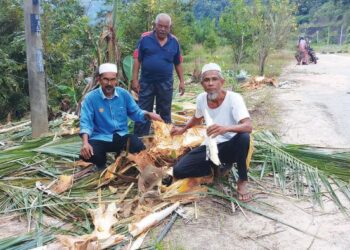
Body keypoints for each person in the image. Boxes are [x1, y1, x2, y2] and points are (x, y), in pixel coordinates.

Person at [171, 63, 253, 201]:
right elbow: (196, 118)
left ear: (222, 82)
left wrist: (225, 128)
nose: (210, 83)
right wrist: (182, 130)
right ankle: (215, 169)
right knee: (179, 171)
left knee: (244, 137)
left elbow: (248, 126)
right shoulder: (201, 99)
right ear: (202, 84)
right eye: (206, 80)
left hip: (231, 146)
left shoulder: (234, 98)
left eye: (214, 79)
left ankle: (242, 181)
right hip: (210, 146)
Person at [79, 63, 162, 169]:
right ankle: (100, 164)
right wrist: (85, 143)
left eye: (112, 79)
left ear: (116, 80)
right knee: (88, 154)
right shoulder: (91, 98)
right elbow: (86, 122)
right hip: (100, 137)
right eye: (106, 79)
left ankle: (120, 155)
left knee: (138, 147)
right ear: (99, 79)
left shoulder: (124, 94)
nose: (109, 83)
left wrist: (148, 114)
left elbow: (136, 112)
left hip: (121, 136)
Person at [132, 13, 185, 136]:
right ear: (155, 25)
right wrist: (134, 80)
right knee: (143, 111)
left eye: (165, 27)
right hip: (146, 82)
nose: (162, 29)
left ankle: (164, 139)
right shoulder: (145, 39)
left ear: (169, 27)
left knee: (165, 112)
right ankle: (140, 141)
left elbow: (178, 63)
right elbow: (137, 60)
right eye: (160, 26)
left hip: (165, 83)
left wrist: (182, 81)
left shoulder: (174, 42)